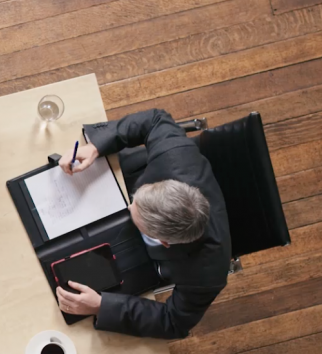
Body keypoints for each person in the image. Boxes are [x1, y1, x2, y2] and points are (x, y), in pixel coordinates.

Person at [54, 109, 232, 339]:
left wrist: (101, 306)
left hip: (140, 261)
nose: (128, 208)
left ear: (164, 242)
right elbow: (156, 119)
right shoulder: (176, 157)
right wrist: (96, 146)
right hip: (117, 181)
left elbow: (173, 322)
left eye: (135, 215)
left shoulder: (207, 274)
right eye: (138, 199)